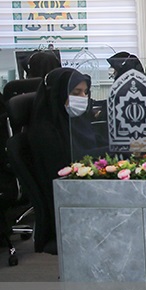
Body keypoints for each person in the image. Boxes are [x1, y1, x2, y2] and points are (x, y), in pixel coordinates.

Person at [25, 68, 101, 254]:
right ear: (58, 94)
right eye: (76, 93)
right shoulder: (45, 132)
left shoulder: (72, 121)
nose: (83, 98)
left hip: (87, 193)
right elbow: (73, 164)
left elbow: (92, 146)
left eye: (85, 92)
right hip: (69, 209)